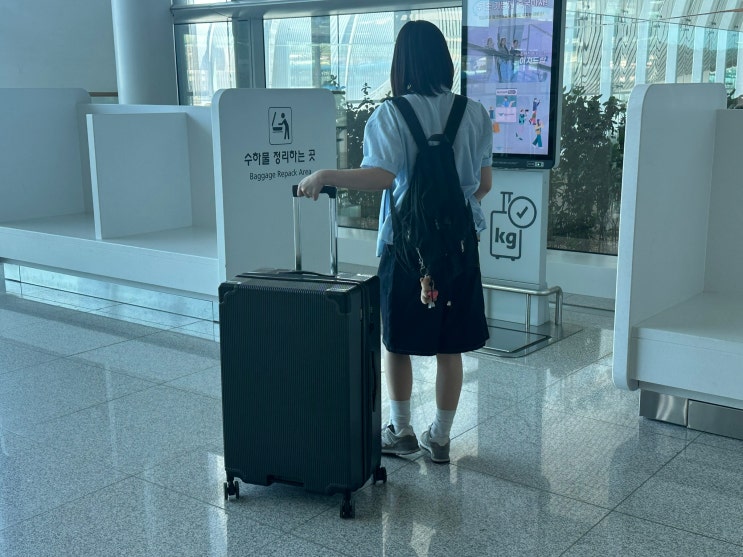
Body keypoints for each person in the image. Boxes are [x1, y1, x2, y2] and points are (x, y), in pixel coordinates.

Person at [297, 20, 493, 464]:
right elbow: (483, 185)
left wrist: (326, 175)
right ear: (444, 61)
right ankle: (440, 439)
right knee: (450, 346)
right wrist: (448, 210)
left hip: (406, 249)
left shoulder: (391, 114)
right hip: (459, 248)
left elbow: (381, 177)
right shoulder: (475, 113)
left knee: (398, 341)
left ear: (401, 63)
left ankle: (401, 431)